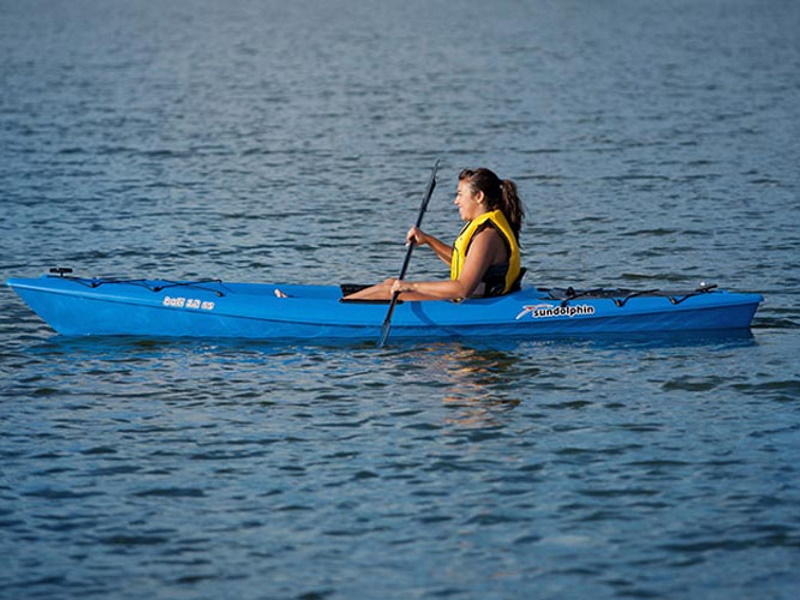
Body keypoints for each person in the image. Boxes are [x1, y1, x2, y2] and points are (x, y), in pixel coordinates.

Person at [345, 167, 525, 302]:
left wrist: (412, 286)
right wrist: (428, 240)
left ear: (478, 197)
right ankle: (342, 304)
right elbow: (463, 262)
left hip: (478, 305)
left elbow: (463, 289)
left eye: (460, 195)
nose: (456, 202)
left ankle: (339, 312)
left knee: (388, 291)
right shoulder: (485, 231)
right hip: (473, 299)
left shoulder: (487, 236)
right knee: (390, 283)